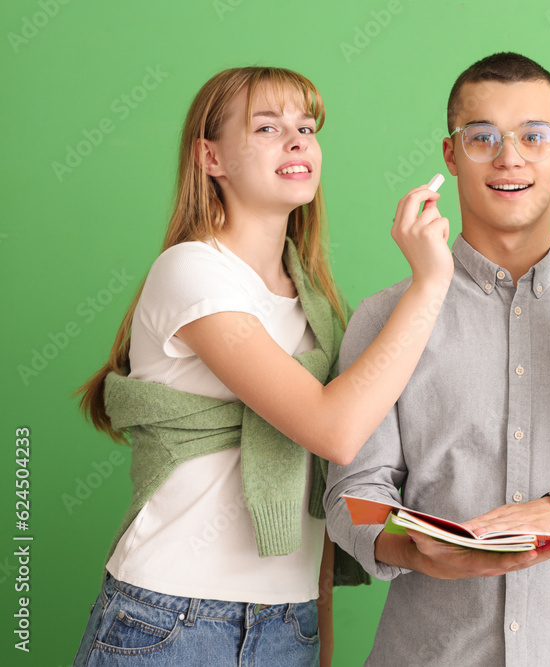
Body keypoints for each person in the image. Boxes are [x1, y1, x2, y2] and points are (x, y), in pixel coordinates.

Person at [325, 52, 550, 666]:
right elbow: (352, 495)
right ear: (450, 155)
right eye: (482, 138)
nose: (510, 157)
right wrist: (418, 550)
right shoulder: (385, 317)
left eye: (533, 136)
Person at [72, 66, 453, 667]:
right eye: (268, 127)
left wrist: (319, 635)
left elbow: (318, 491)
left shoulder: (320, 305)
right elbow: (334, 430)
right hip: (170, 617)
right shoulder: (192, 272)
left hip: (288, 623)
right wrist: (429, 284)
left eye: (306, 126)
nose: (298, 140)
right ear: (210, 157)